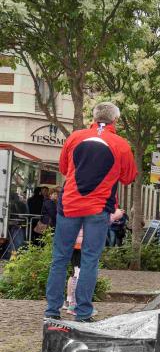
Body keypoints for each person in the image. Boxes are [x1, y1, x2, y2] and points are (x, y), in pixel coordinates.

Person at [44, 102, 137, 322]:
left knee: (60, 258)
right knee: (89, 260)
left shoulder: (75, 137)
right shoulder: (121, 144)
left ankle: (52, 311)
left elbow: (64, 169)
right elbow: (128, 177)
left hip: (69, 205)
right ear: (115, 120)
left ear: (93, 118)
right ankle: (83, 312)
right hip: (99, 207)